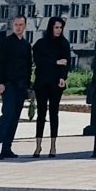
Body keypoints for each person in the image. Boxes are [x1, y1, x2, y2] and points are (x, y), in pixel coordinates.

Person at [0, 15, 33, 160]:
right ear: (13, 26)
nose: (18, 27)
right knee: (6, 116)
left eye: (21, 24)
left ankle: (6, 148)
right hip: (8, 85)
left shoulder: (26, 45)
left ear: (25, 26)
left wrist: (28, 86)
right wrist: (0, 82)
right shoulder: (6, 42)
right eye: (16, 24)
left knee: (15, 118)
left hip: (21, 86)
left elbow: (28, 67)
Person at [31, 16, 71, 157]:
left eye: (60, 27)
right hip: (42, 82)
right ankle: (38, 146)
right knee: (41, 113)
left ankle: (53, 146)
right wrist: (55, 62)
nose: (58, 30)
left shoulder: (64, 44)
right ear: (51, 27)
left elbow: (66, 63)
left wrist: (62, 77)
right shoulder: (40, 44)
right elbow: (39, 61)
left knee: (54, 113)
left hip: (56, 83)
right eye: (56, 27)